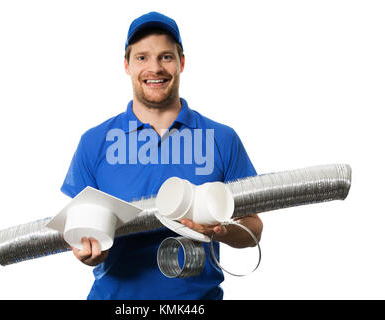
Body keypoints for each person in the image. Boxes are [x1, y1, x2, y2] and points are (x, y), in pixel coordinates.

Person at [60, 11, 263, 300]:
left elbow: (254, 226)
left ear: (181, 62)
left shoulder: (221, 139)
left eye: (165, 57)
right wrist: (86, 252)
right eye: (142, 57)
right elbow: (79, 228)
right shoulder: (95, 143)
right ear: (126, 66)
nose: (154, 68)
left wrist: (219, 230)